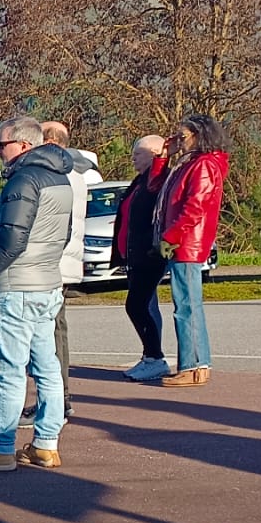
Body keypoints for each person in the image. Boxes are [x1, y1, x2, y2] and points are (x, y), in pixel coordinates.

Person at [0, 117, 73, 473]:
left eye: (1, 144)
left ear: (23, 145)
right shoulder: (61, 178)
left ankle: (0, 447)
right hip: (48, 282)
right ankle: (46, 444)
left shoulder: (23, 180)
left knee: (9, 370)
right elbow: (64, 233)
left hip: (18, 286)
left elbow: (12, 237)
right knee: (48, 367)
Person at [156, 114, 231, 388]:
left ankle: (195, 365)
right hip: (182, 242)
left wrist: (171, 236)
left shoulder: (204, 165)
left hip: (187, 244)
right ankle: (194, 364)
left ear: (199, 136)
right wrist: (164, 156)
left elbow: (195, 207)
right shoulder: (189, 163)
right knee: (186, 304)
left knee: (187, 306)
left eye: (183, 136)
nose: (179, 141)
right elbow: (156, 186)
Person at [41, 121, 103, 413]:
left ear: (48, 142)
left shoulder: (55, 172)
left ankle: (55, 399)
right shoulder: (77, 172)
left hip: (51, 262)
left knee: (48, 332)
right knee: (57, 329)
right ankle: (60, 396)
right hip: (66, 261)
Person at [114, 135, 172, 381]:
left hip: (149, 254)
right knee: (141, 305)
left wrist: (163, 156)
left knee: (137, 305)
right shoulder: (139, 181)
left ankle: (155, 358)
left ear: (154, 155)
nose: (133, 159)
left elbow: (158, 173)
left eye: (138, 154)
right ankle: (150, 356)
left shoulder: (156, 178)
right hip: (135, 255)